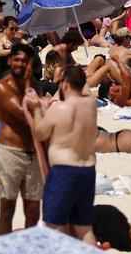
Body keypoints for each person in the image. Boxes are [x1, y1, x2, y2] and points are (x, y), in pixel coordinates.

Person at [26, 66, 97, 241]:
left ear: (65, 84)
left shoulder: (59, 110)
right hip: (88, 169)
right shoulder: (90, 106)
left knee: (53, 225)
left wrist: (36, 109)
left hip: (64, 171)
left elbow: (40, 133)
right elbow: (82, 91)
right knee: (84, 228)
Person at [0, 43, 45, 235]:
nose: (20, 64)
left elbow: (38, 115)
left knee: (33, 211)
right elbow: (26, 115)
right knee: (7, 209)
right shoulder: (1, 88)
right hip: (10, 151)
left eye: (24, 61)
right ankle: (5, 250)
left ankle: (29, 251)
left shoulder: (36, 86)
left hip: (33, 153)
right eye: (16, 59)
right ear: (9, 60)